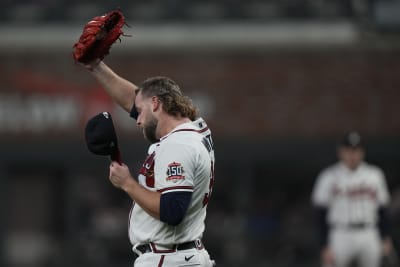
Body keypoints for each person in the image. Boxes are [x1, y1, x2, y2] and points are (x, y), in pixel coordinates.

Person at [81, 60, 216, 267]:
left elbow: (172, 211)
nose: (137, 120)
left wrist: (127, 183)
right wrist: (97, 66)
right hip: (182, 255)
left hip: (169, 258)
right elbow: (134, 100)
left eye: (140, 112)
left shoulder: (177, 144)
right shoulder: (194, 131)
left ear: (155, 104)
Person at [311, 131, 393, 267]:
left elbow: (382, 209)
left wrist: (385, 237)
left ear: (362, 152)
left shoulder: (374, 175)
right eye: (348, 150)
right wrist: (323, 245)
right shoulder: (328, 176)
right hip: (340, 233)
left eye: (356, 150)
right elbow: (320, 213)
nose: (352, 154)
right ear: (341, 152)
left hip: (369, 232)